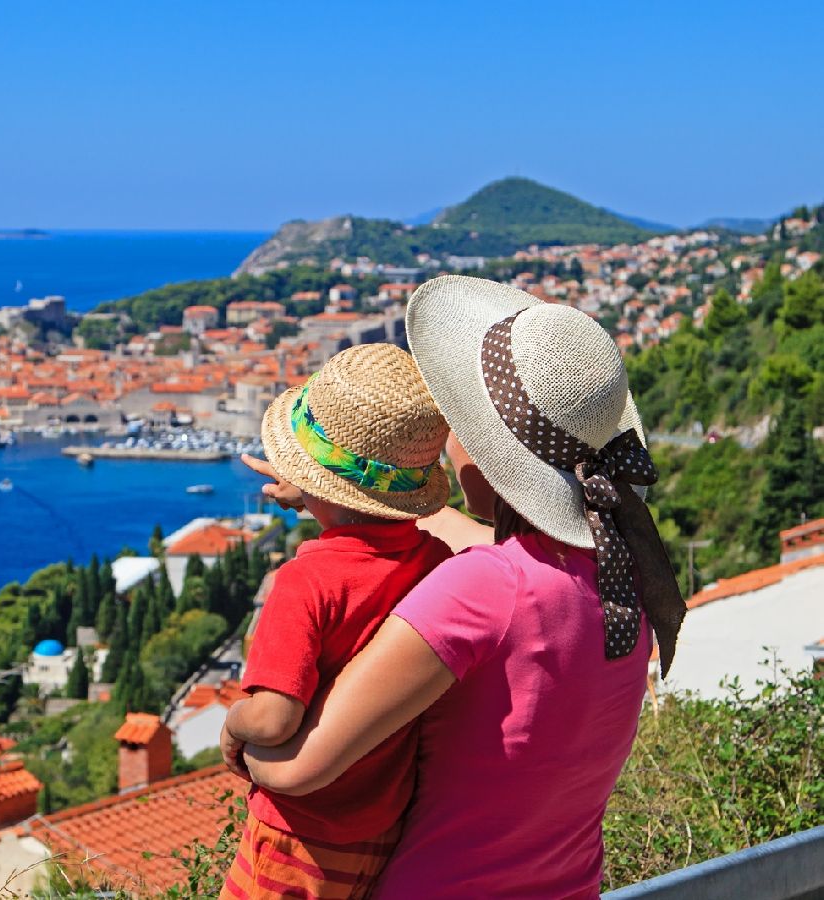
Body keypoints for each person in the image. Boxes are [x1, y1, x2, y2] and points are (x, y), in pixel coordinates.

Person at [235, 275, 686, 899]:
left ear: (483, 448)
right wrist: (327, 491)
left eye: (459, 415)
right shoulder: (617, 567)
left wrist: (239, 745)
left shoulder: (482, 590)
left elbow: (300, 767)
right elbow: (464, 539)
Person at [219, 343, 454, 899]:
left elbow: (275, 718)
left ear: (311, 484)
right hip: (380, 828)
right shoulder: (437, 565)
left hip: (295, 833)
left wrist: (232, 724)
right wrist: (317, 488)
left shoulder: (306, 582)